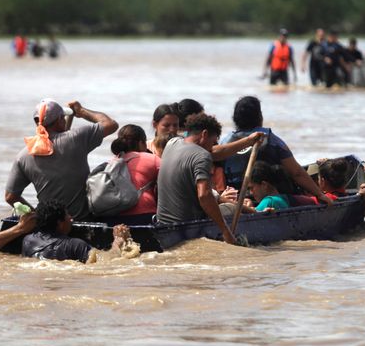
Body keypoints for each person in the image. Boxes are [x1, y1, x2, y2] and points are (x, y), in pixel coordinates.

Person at [5, 99, 118, 221]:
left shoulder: (23, 155)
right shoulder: (76, 138)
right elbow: (111, 124)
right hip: (82, 219)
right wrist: (81, 111)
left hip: (50, 224)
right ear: (59, 121)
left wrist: (37, 217)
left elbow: (10, 197)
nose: (65, 120)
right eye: (63, 118)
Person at [221, 96, 332, 206]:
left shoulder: (224, 144)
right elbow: (296, 173)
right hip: (272, 201)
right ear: (259, 117)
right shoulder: (271, 140)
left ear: (235, 118)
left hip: (238, 202)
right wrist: (320, 194)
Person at [155, 113, 238, 244]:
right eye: (212, 142)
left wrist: (249, 141)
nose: (212, 147)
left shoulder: (172, 143)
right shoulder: (202, 155)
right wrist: (225, 231)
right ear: (204, 134)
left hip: (163, 223)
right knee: (233, 209)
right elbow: (204, 196)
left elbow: (215, 153)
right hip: (189, 225)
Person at [109, 124, 161, 223]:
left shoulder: (112, 162)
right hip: (144, 216)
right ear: (141, 143)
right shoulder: (152, 159)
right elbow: (172, 178)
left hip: (113, 217)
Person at [21, 199, 96, 262]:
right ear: (60, 223)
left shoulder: (28, 240)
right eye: (67, 215)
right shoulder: (76, 245)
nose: (71, 218)